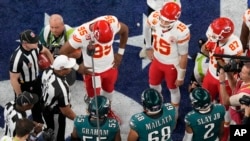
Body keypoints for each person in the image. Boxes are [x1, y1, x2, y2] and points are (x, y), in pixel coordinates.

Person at [59, 15, 129, 124]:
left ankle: (107, 111)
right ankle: (93, 115)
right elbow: (63, 52)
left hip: (110, 66)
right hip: (92, 72)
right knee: (93, 99)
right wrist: (77, 67)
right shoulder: (81, 34)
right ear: (94, 35)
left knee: (109, 91)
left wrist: (120, 53)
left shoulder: (112, 23)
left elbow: (125, 31)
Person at [144, 2, 190, 119]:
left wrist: (181, 76)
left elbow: (184, 56)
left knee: (173, 89)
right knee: (153, 85)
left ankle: (175, 113)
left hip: (172, 65)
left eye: (167, 21)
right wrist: (148, 46)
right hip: (157, 60)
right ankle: (157, 105)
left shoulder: (182, 31)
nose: (163, 23)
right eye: (162, 19)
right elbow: (146, 28)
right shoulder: (155, 16)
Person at [201, 17, 244, 141]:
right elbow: (204, 51)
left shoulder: (234, 46)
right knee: (205, 100)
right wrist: (206, 48)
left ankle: (224, 133)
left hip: (225, 80)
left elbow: (234, 70)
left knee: (225, 109)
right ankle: (205, 122)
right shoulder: (213, 37)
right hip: (211, 74)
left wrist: (220, 59)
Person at [9, 29, 54, 124]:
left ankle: (38, 122)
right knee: (21, 107)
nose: (37, 43)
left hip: (36, 80)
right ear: (25, 43)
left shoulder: (36, 46)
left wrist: (53, 65)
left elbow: (46, 51)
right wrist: (20, 96)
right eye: (33, 42)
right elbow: (13, 80)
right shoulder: (17, 59)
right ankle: (19, 126)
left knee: (38, 103)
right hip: (24, 84)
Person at [41, 55, 80, 141]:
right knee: (57, 137)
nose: (71, 69)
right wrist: (79, 120)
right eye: (69, 67)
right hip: (55, 115)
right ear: (62, 70)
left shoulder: (47, 71)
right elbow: (66, 112)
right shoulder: (62, 89)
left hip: (45, 105)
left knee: (49, 130)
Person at [39, 14, 82, 86]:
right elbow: (40, 48)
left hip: (66, 61)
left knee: (69, 81)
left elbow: (78, 54)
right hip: (50, 59)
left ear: (63, 25)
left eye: (57, 27)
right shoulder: (45, 31)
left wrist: (60, 54)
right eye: (52, 27)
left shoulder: (71, 33)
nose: (54, 30)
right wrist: (49, 58)